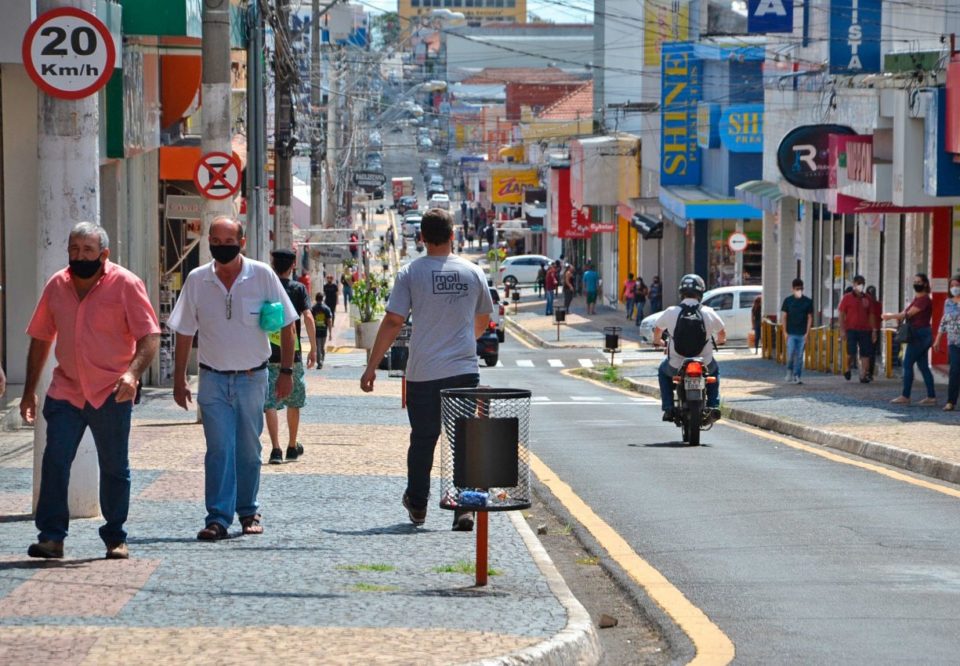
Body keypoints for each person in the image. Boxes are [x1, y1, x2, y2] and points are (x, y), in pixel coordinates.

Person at [21, 222, 160, 560]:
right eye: (73, 249)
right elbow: (41, 338)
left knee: (115, 466)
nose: (79, 256)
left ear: (104, 253)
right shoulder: (57, 285)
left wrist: (132, 374)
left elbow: (149, 336)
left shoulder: (126, 284)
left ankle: (115, 536)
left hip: (111, 391)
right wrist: (28, 392)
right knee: (54, 462)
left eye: (87, 250)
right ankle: (51, 538)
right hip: (66, 390)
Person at [360, 208, 493, 532]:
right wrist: (462, 339)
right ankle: (464, 507)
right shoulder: (472, 272)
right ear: (453, 236)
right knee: (464, 439)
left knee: (423, 439)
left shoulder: (410, 273)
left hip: (423, 373)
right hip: (463, 369)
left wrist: (372, 366)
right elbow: (483, 319)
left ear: (421, 238)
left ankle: (418, 505)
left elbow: (393, 320)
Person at [168, 216, 298, 541]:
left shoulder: (263, 275)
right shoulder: (197, 280)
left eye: (229, 242)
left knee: (249, 449)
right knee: (218, 449)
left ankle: (248, 510)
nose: (222, 248)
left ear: (242, 243)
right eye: (216, 241)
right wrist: (179, 377)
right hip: (212, 379)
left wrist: (286, 372)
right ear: (208, 241)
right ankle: (217, 518)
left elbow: (287, 324)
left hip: (253, 377)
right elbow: (184, 330)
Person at [264, 249, 317, 465]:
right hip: (292, 355)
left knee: (269, 403)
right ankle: (292, 446)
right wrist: (314, 348)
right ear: (293, 265)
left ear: (272, 263)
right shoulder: (298, 289)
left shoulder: (267, 289)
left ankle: (275, 449)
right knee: (294, 402)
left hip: (266, 354)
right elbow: (308, 317)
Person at [653, 274, 725, 423]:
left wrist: (658, 342)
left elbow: (657, 330)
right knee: (715, 372)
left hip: (676, 364)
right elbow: (722, 334)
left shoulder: (671, 311)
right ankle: (713, 406)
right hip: (704, 363)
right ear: (701, 292)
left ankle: (668, 408)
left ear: (681, 292)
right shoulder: (709, 312)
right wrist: (719, 341)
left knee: (662, 372)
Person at [883, 273, 936, 405]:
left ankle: (905, 396)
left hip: (920, 335)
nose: (916, 283)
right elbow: (905, 312)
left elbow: (908, 313)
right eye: (915, 281)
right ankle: (931, 397)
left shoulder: (924, 300)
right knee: (923, 366)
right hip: (920, 334)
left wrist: (890, 316)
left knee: (907, 363)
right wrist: (895, 316)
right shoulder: (917, 299)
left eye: (919, 281)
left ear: (925, 284)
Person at [838, 275, 878, 383]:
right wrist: (842, 330)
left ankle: (863, 375)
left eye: (862, 283)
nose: (861, 286)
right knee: (851, 352)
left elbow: (871, 315)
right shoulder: (847, 298)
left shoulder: (867, 298)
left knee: (865, 353)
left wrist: (874, 331)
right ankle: (847, 367)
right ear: (854, 284)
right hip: (851, 329)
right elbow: (841, 314)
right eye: (858, 283)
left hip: (865, 330)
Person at [933, 274, 960, 411]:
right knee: (955, 370)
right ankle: (951, 401)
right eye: (952, 286)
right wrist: (938, 339)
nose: (955, 288)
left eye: (957, 285)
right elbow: (944, 321)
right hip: (953, 341)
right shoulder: (948, 302)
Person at [780, 279, 814, 384]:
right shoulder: (788, 301)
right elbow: (784, 317)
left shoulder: (808, 302)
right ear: (793, 289)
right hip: (791, 333)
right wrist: (785, 332)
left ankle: (797, 375)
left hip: (802, 333)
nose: (799, 291)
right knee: (790, 354)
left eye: (801, 289)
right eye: (797, 289)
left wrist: (807, 333)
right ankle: (789, 370)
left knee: (799, 356)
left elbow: (810, 317)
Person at [311, 293, 334, 367]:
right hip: (324, 331)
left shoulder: (313, 308)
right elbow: (329, 321)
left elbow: (311, 320)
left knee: (318, 346)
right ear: (322, 298)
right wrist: (330, 333)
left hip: (316, 330)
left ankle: (319, 361)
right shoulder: (326, 308)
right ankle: (322, 360)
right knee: (322, 347)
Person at [866, 285, 883, 379]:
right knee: (872, 352)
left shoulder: (865, 304)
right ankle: (870, 373)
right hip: (876, 329)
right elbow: (880, 317)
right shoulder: (878, 304)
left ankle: (866, 371)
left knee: (866, 352)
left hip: (866, 330)